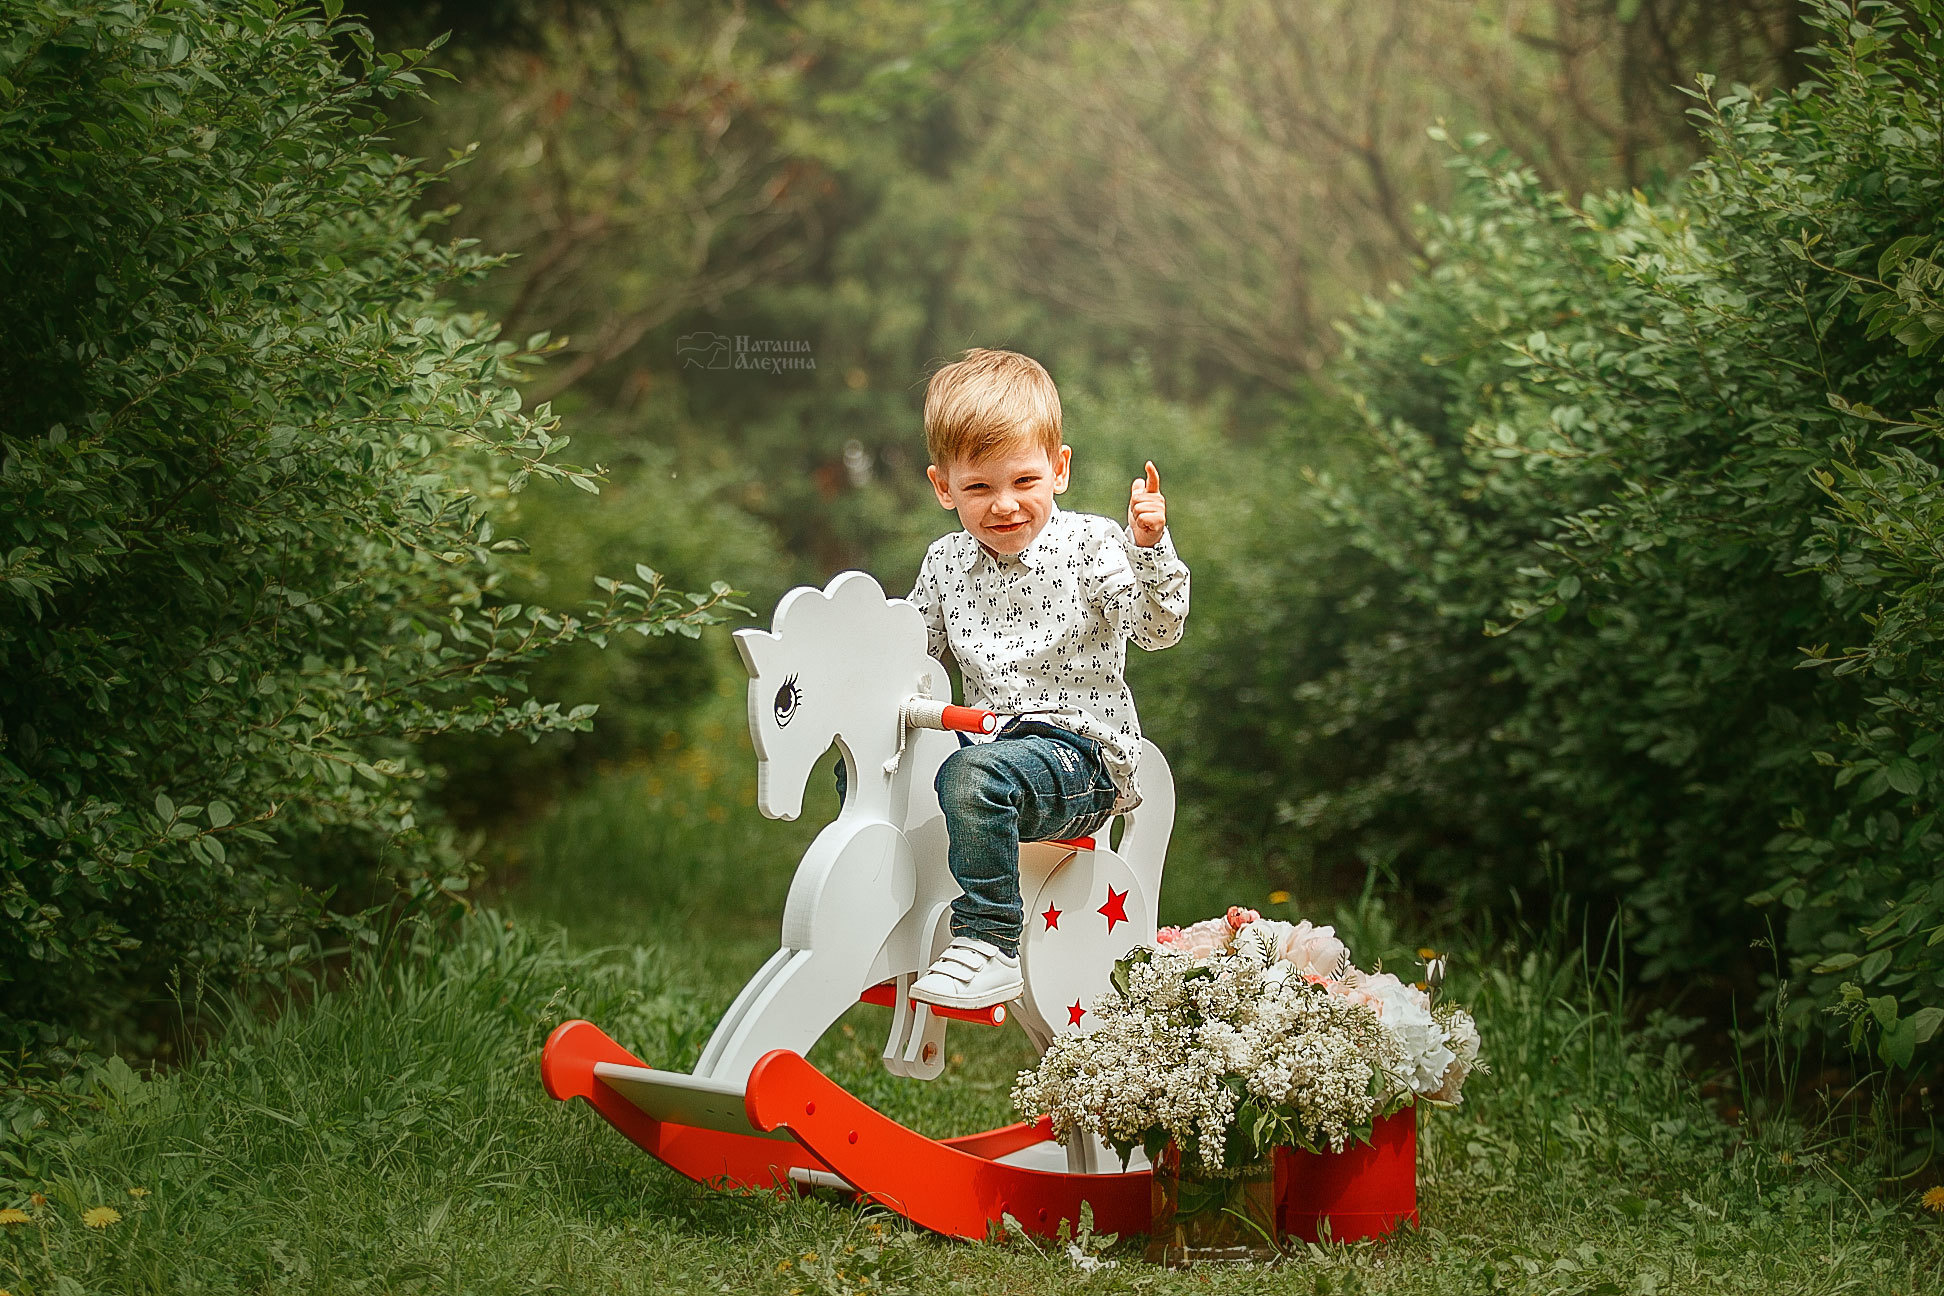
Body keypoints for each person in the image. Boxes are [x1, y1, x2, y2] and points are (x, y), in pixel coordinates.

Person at [893, 348, 1191, 1009]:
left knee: (972, 777)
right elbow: (908, 655)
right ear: (944, 487)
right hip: (994, 753)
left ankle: (990, 941)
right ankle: (897, 916)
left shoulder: (1093, 546)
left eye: (1024, 481)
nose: (1004, 505)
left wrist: (1149, 549)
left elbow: (1156, 629)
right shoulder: (945, 564)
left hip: (1081, 758)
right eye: (978, 488)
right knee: (887, 768)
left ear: (1058, 469)